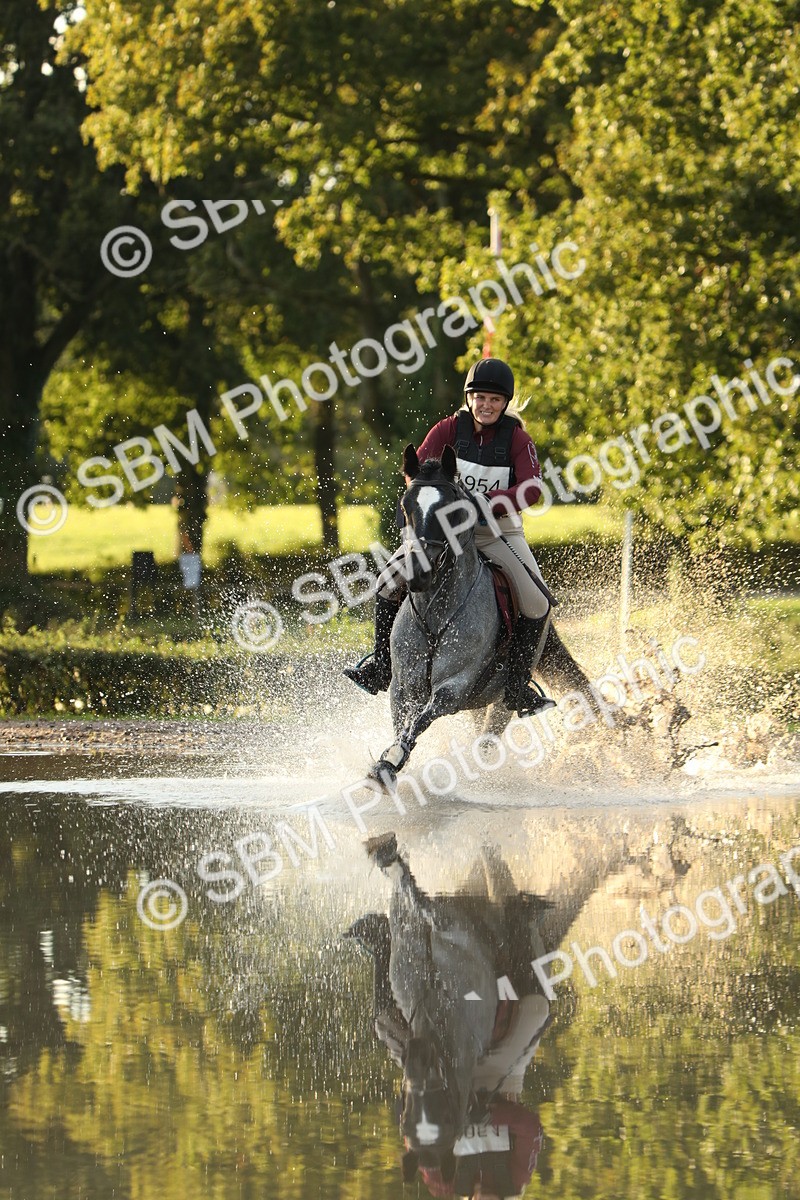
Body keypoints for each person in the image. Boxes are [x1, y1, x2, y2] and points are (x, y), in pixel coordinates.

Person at [344, 357, 555, 717]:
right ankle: (380, 667)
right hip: (441, 534)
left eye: (494, 400)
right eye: (480, 398)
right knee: (384, 583)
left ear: (505, 403)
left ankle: (518, 688)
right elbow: (416, 476)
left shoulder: (517, 439)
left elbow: (532, 489)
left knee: (538, 603)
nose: (486, 405)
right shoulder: (446, 431)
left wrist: (483, 502)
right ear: (469, 398)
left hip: (494, 532)